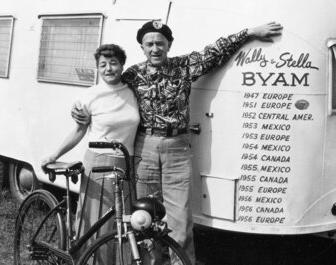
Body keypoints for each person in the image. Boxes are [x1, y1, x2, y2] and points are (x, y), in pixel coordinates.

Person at [73, 21, 283, 264]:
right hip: (145, 146)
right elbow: (107, 92)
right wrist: (81, 110)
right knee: (145, 217)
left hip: (177, 147)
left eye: (160, 43)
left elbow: (216, 51)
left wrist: (249, 33)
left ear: (169, 45)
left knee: (180, 220)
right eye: (149, 44)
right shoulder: (132, 74)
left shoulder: (185, 66)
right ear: (142, 47)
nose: (155, 48)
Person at [42, 44, 140, 259]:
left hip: (126, 162)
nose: (108, 69)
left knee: (124, 222)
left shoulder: (133, 92)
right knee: (98, 223)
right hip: (99, 163)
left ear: (122, 65)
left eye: (113, 63)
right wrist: (55, 155)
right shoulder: (90, 95)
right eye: (102, 65)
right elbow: (79, 131)